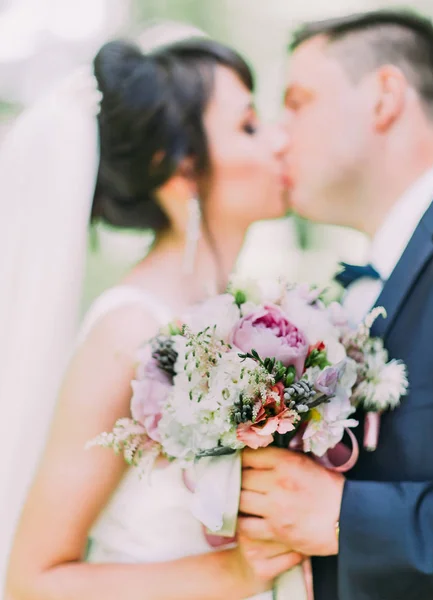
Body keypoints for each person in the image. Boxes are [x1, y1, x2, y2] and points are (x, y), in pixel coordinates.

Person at [3, 22, 300, 600]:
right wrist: (236, 574)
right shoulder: (130, 330)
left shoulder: (237, 315)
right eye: (248, 125)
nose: (280, 140)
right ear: (179, 167)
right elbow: (32, 579)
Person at [238, 9, 433, 600]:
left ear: (385, 97)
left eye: (298, 101)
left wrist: (348, 518)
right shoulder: (367, 283)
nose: (278, 135)